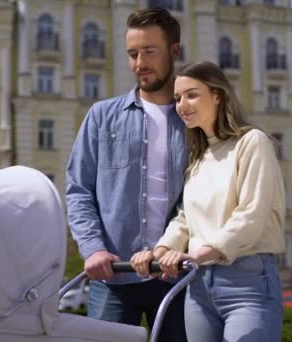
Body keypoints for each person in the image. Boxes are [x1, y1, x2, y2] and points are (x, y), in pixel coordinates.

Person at [131, 61, 286, 342]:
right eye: (177, 98)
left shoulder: (252, 143)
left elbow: (251, 215)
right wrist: (159, 252)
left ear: (218, 95)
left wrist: (195, 255)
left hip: (247, 284)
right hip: (199, 287)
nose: (182, 105)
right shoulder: (199, 158)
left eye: (192, 94)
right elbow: (185, 219)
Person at [65, 7, 188, 342]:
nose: (139, 63)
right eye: (133, 53)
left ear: (174, 51)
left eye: (149, 52)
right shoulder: (101, 117)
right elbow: (79, 190)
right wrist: (92, 248)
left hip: (177, 280)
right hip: (114, 279)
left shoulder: (193, 122)